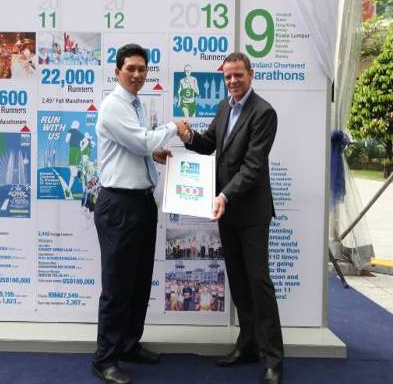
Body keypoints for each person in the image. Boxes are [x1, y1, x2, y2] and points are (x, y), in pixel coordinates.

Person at [179, 52, 284, 384]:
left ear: (251, 74)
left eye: (238, 75)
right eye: (228, 77)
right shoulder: (224, 107)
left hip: (250, 212)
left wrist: (223, 195)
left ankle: (273, 359)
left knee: (259, 283)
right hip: (226, 211)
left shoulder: (264, 112)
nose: (233, 81)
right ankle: (248, 344)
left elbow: (253, 166)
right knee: (238, 281)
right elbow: (210, 144)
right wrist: (189, 137)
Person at [93, 43, 186, 384]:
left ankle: (129, 344)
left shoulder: (135, 105)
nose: (136, 74)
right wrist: (174, 127)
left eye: (142, 69)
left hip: (141, 203)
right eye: (130, 68)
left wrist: (153, 156)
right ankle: (105, 358)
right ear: (117, 71)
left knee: (139, 282)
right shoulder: (113, 106)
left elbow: (137, 147)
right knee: (118, 286)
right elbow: (142, 141)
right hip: (119, 205)